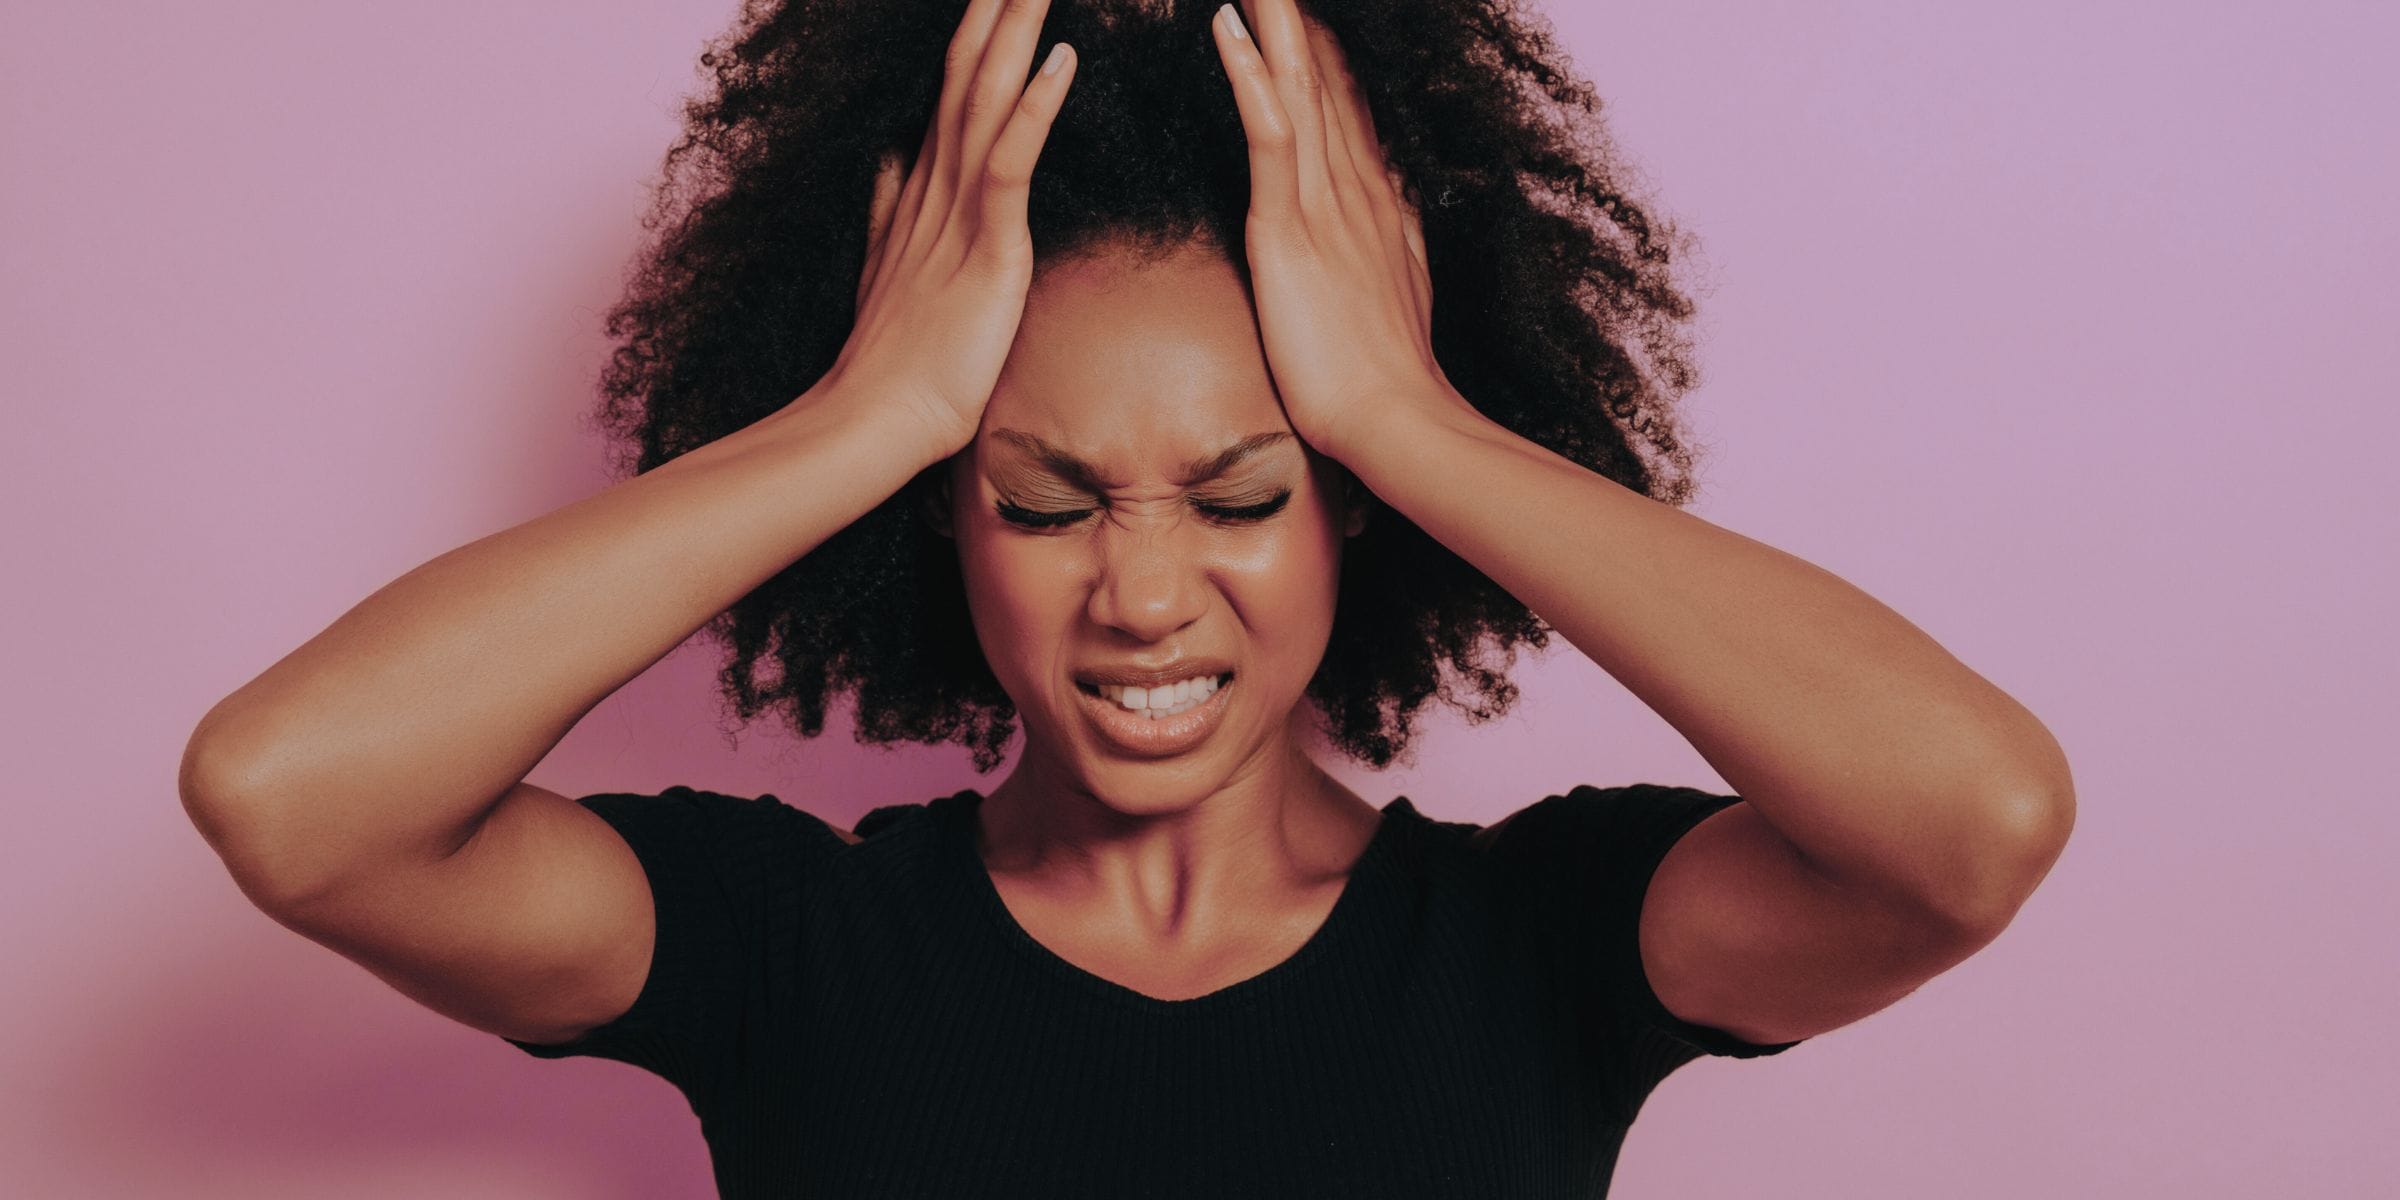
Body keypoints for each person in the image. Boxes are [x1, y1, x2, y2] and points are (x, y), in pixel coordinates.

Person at [178, 0, 2075, 1195]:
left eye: (1246, 493)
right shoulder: (789, 950)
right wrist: (869, 410)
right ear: (946, 523)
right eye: (1043, 498)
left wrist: (1412, 415)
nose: (1145, 595)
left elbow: (1969, 823)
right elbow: (293, 798)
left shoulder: (1545, 951)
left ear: (1357, 513)